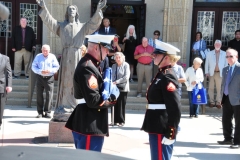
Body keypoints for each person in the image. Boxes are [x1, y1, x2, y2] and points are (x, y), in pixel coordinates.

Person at [36, 0, 106, 122]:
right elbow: (50, 21)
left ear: (76, 12)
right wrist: (44, 7)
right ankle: (64, 105)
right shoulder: (61, 26)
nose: (71, 11)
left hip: (77, 55)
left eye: (73, 9)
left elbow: (93, 24)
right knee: (66, 82)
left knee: (77, 81)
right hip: (66, 55)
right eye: (69, 9)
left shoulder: (82, 26)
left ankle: (76, 105)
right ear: (67, 12)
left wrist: (98, 10)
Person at [65, 34, 117, 152]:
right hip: (89, 122)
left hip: (89, 121)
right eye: (105, 48)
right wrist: (113, 99)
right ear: (96, 48)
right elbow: (94, 101)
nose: (108, 52)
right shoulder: (88, 67)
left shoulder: (92, 65)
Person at [141, 39, 181, 160]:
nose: (153, 56)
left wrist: (171, 131)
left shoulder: (168, 76)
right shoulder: (161, 74)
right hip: (155, 124)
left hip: (162, 126)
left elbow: (175, 107)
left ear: (167, 57)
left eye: (157, 54)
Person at [218, 49, 240, 149]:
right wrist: (221, 97)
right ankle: (227, 138)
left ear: (236, 57)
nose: (229, 58)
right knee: (226, 119)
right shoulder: (225, 69)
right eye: (227, 56)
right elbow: (224, 84)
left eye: (231, 56)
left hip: (237, 99)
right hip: (226, 97)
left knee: (238, 121)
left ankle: (237, 142)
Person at [31, 44, 60, 118]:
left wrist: (49, 71)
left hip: (49, 77)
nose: (45, 52)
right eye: (44, 50)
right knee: (39, 95)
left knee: (49, 95)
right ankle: (40, 112)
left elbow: (57, 66)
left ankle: (47, 112)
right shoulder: (38, 56)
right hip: (40, 77)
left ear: (49, 50)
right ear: (41, 50)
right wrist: (40, 71)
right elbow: (33, 66)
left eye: (46, 50)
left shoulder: (52, 56)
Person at [205, 40, 227, 108]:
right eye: (216, 44)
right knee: (210, 88)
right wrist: (206, 72)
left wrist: (225, 73)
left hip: (220, 73)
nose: (217, 46)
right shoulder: (209, 53)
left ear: (220, 46)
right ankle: (211, 102)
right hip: (211, 73)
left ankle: (218, 102)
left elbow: (226, 64)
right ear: (214, 45)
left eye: (219, 45)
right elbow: (206, 63)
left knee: (219, 88)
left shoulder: (224, 53)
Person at [111, 52, 130, 126]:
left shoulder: (126, 65)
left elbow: (126, 77)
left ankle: (121, 121)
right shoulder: (113, 66)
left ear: (122, 58)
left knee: (122, 104)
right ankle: (115, 120)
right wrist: (113, 82)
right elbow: (112, 75)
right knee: (115, 103)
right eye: (116, 57)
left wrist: (117, 81)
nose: (118, 59)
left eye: (119, 57)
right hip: (115, 88)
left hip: (123, 88)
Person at [0, 53, 12, 130]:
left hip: (1, 85)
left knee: (1, 106)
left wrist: (9, 85)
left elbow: (9, 72)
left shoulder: (5, 58)